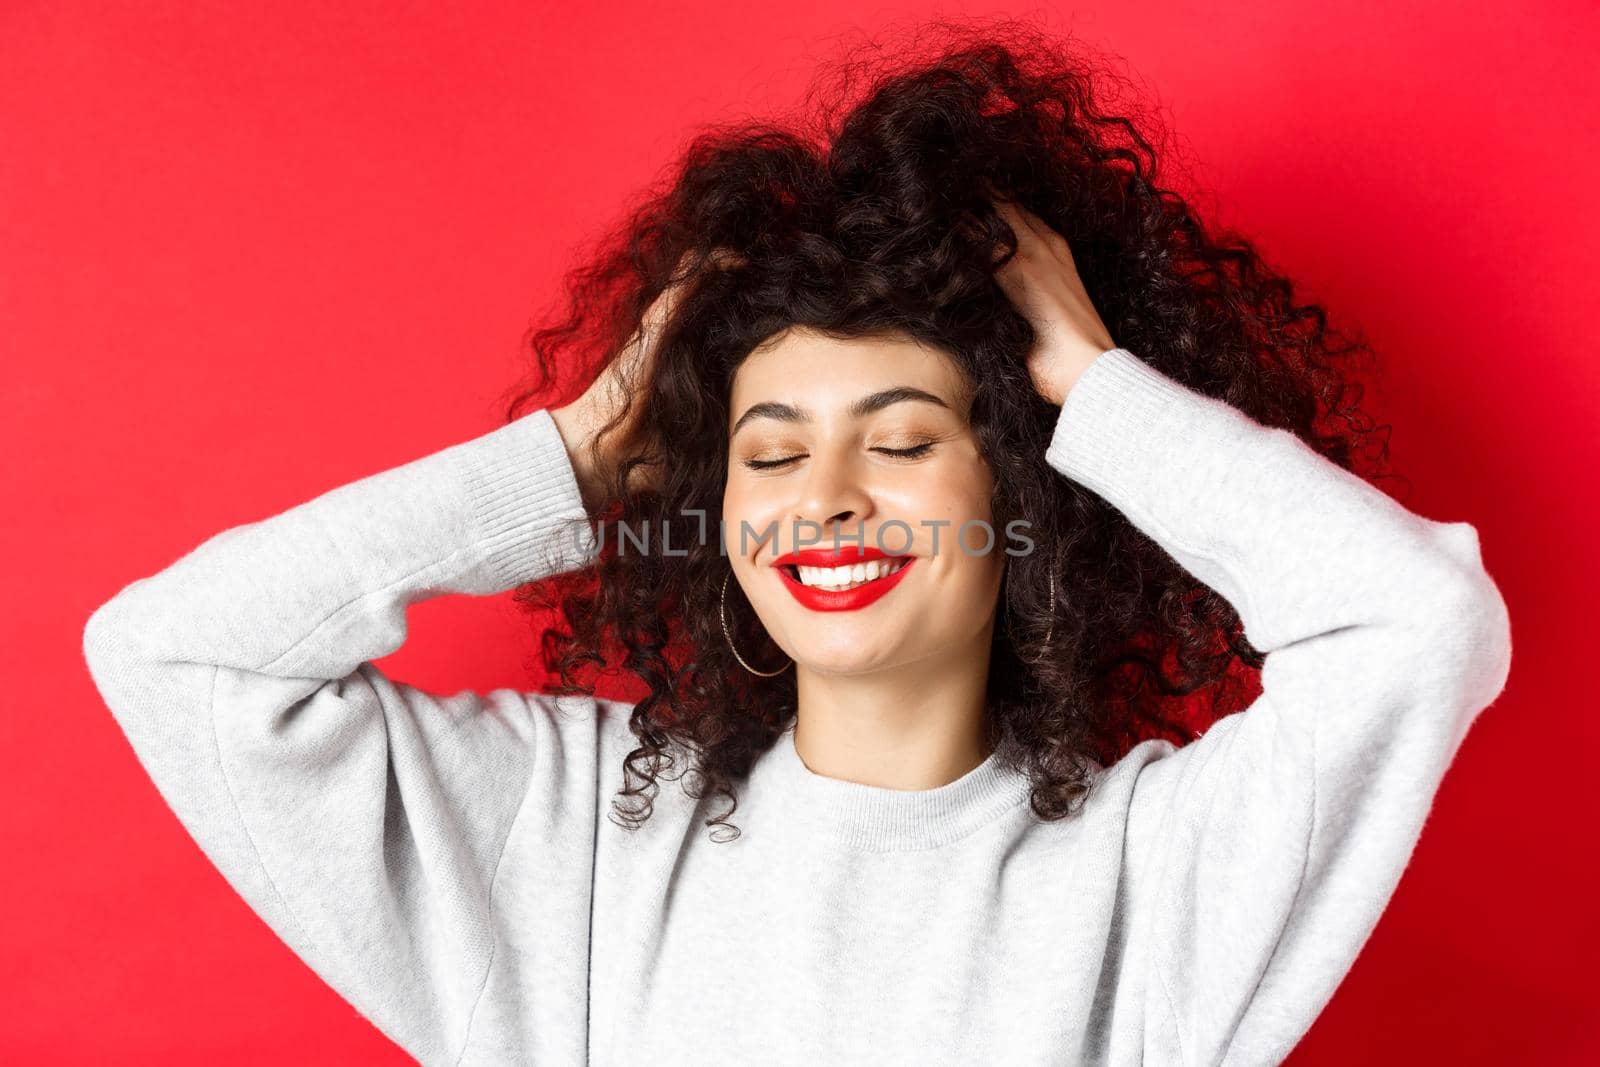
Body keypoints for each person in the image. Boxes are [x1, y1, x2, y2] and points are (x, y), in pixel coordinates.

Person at [82, 28, 1512, 1067]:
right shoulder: (569, 838)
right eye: (768, 453)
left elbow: (1419, 625)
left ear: (1024, 489)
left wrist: (1098, 385)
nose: (823, 496)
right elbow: (173, 652)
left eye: (899, 443)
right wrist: (573, 457)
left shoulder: (1164, 866)